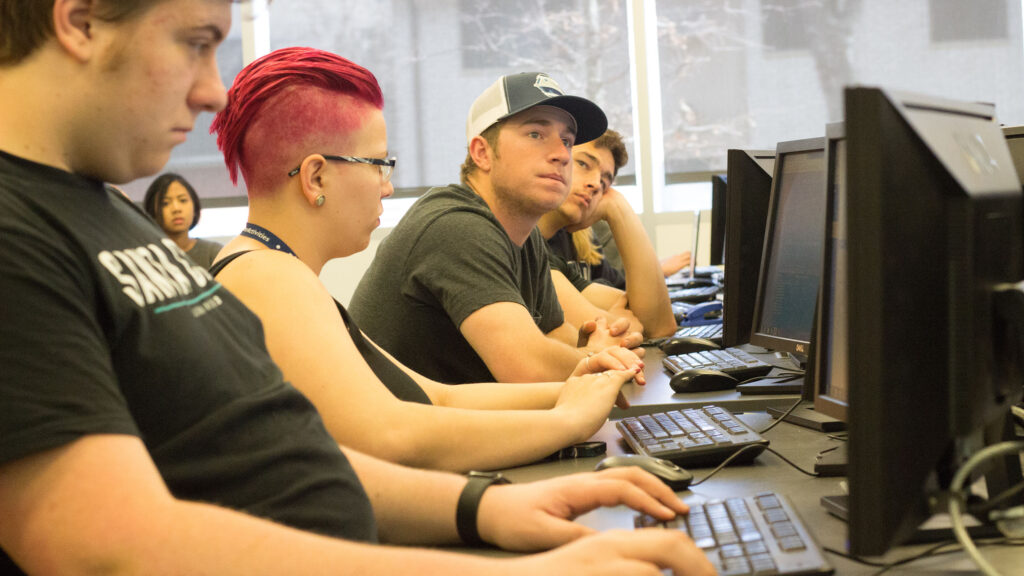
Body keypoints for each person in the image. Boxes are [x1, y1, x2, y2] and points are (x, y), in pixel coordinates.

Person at [0, 2, 714, 575]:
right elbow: (103, 545)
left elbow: (289, 453)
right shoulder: (21, 228)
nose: (212, 88)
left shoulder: (110, 217)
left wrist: (483, 510)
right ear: (81, 19)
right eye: (195, 41)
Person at [208, 47, 645, 472]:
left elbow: (435, 398)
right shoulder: (265, 276)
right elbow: (394, 437)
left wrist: (580, 382)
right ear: (315, 177)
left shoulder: (282, 272)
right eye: (378, 164)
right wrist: (564, 420)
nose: (386, 187)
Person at [350, 73, 645, 384]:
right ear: (482, 153)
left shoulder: (524, 234)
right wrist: (597, 357)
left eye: (567, 141)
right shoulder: (456, 226)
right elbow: (528, 367)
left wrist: (598, 347)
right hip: (409, 430)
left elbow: (560, 337)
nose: (561, 154)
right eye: (535, 134)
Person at [537, 129, 678, 339]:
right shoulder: (523, 242)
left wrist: (617, 207)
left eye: (605, 182)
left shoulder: (567, 239)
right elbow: (623, 331)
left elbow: (657, 325)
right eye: (584, 164)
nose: (595, 184)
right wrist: (611, 319)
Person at [143, 172, 224, 267]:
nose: (176, 209)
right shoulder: (144, 256)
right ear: (152, 211)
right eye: (165, 203)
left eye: (183, 200)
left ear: (195, 207)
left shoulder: (214, 253)